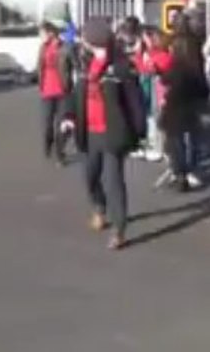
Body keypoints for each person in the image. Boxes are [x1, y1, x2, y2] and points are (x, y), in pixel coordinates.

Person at [59, 18, 147, 249]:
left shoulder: (120, 67)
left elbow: (135, 101)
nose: (82, 42)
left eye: (85, 39)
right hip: (88, 132)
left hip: (112, 132)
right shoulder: (83, 63)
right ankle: (99, 207)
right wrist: (69, 117)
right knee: (90, 177)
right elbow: (73, 95)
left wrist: (139, 131)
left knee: (113, 181)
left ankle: (119, 228)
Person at [160, 30, 210, 192]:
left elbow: (165, 80)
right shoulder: (196, 67)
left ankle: (180, 174)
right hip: (193, 109)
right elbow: (205, 89)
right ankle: (192, 171)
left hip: (175, 110)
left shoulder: (177, 66)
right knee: (194, 142)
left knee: (175, 143)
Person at [36, 22, 72, 165]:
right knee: (47, 124)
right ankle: (48, 144)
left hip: (62, 90)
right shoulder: (42, 48)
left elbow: (73, 64)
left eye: (42, 33)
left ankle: (60, 153)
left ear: (51, 33)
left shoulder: (64, 48)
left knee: (62, 125)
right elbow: (39, 67)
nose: (40, 36)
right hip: (47, 90)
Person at [138, 26, 172, 165]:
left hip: (161, 90)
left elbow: (149, 70)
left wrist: (142, 60)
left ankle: (160, 149)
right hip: (156, 90)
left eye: (147, 38)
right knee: (154, 117)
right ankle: (157, 146)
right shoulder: (153, 54)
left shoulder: (162, 56)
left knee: (160, 120)